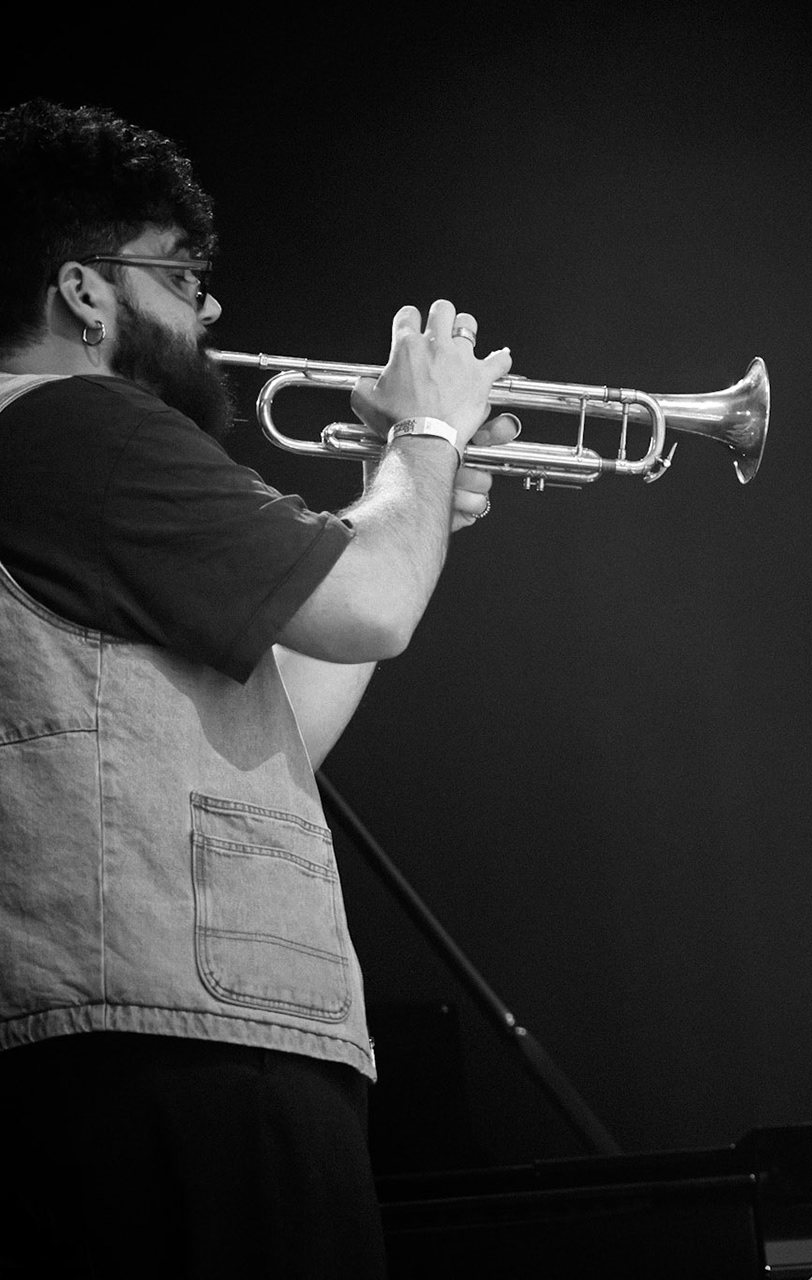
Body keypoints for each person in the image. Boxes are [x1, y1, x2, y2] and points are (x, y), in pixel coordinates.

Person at [0, 100, 520, 1275]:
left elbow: (280, 721)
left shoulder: (62, 462)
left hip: (165, 1042)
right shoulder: (79, 424)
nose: (212, 308)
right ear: (85, 291)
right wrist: (426, 431)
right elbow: (374, 601)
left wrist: (411, 487)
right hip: (166, 1060)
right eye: (181, 275)